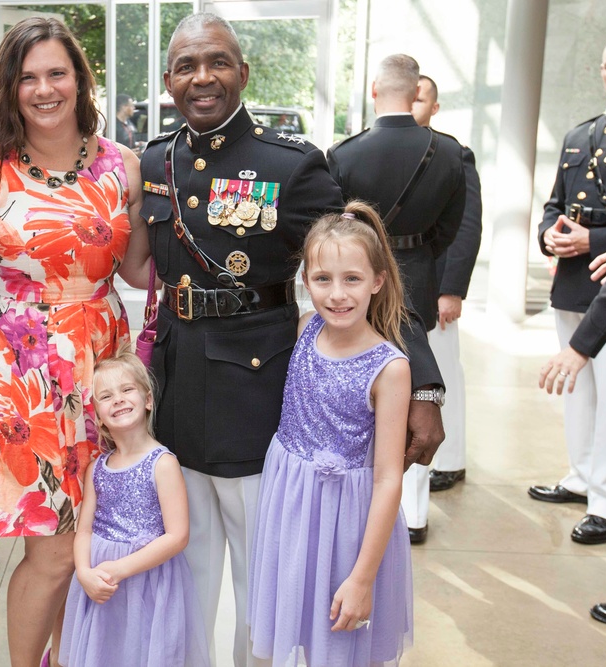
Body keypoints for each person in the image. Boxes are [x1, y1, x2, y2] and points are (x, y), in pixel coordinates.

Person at [139, 14, 442, 665]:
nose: (203, 77)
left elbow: (366, 264)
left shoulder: (291, 167)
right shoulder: (154, 160)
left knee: (261, 581)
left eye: (217, 61)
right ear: (169, 81)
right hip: (178, 390)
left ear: (243, 73)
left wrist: (425, 381)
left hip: (258, 399)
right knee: (186, 574)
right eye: (187, 65)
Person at [0, 17, 149, 667]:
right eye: (26, 77)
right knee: (55, 547)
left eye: (56, 72)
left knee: (89, 536)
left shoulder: (124, 165)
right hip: (17, 373)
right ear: (8, 88)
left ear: (80, 80)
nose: (43, 89)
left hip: (103, 361)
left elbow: (141, 269)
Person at [248, 201, 413, 665]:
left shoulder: (390, 368)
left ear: (377, 281)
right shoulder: (305, 328)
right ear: (305, 281)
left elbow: (387, 478)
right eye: (323, 279)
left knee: (338, 639)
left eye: (352, 279)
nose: (337, 294)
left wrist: (363, 577)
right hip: (291, 505)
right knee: (295, 627)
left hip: (348, 523)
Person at [327, 54, 466, 545]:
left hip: (359, 281)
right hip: (419, 273)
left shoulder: (344, 153)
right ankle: (413, 512)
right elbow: (449, 229)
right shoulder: (450, 153)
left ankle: (366, 498)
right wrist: (419, 255)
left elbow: (335, 227)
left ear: (373, 91)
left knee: (367, 388)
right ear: (415, 93)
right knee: (413, 381)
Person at [538, 30, 606, 633]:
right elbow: (556, 203)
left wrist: (595, 240)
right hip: (574, 278)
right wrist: (551, 233)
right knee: (576, 391)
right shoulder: (581, 134)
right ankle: (581, 477)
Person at [59, 346, 208, 667]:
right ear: (97, 416)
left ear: (148, 400)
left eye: (127, 390)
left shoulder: (162, 463)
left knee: (142, 651)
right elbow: (84, 530)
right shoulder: (96, 467)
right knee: (106, 651)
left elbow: (177, 535)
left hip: (147, 581)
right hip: (101, 583)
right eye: (107, 396)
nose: (119, 399)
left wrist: (121, 569)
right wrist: (84, 573)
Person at [410, 75, 483, 495]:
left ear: (434, 108)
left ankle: (451, 460)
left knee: (441, 376)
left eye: (421, 100)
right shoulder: (379, 149)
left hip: (435, 287)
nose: (414, 105)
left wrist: (451, 289)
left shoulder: (454, 154)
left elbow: (467, 225)